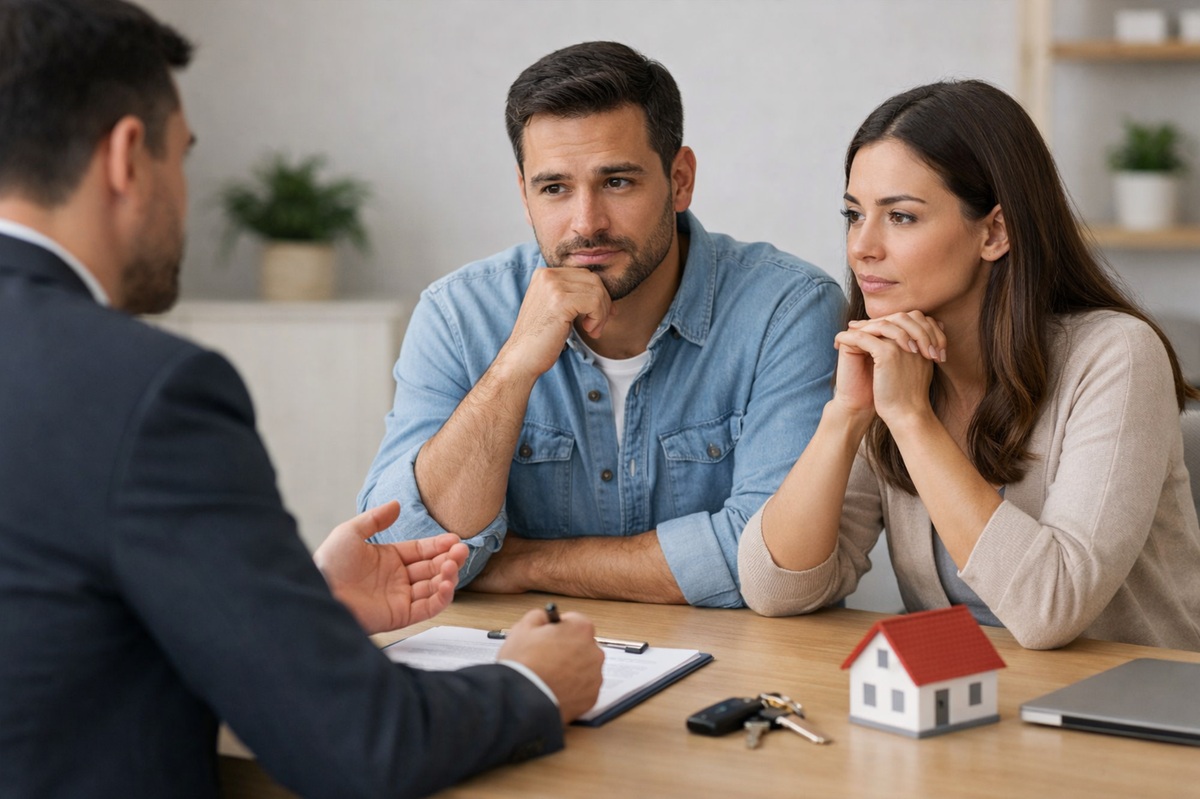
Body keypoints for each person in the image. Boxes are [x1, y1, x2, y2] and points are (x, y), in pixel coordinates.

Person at [0, 2, 604, 797]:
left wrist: (297, 606)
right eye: (182, 157)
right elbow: (360, 744)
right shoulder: (149, 393)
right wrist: (530, 683)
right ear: (126, 157)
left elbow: (55, 615)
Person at [359, 41, 844, 608]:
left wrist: (525, 562)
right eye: (555, 188)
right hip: (518, 664)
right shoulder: (458, 314)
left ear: (680, 179)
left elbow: (767, 563)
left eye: (617, 181)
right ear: (524, 194)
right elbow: (404, 553)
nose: (586, 224)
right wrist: (514, 367)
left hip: (733, 670)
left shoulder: (788, 310)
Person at [738, 79, 1200, 651]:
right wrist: (846, 414)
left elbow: (1051, 608)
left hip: (1130, 713)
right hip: (970, 705)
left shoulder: (1117, 356)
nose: (861, 246)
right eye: (854, 215)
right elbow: (774, 589)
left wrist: (910, 419)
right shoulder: (895, 364)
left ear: (995, 231)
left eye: (900, 217)